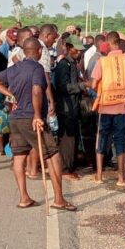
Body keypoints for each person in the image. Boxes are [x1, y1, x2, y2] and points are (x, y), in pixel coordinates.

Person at [0, 37, 76, 211]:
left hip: (16, 118)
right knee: (53, 153)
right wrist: (37, 115)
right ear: (38, 51)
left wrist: (10, 95)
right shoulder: (37, 68)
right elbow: (37, 90)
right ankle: (59, 199)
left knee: (19, 156)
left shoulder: (15, 68)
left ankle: (24, 197)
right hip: (31, 117)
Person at [91, 31, 125, 186]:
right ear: (119, 42)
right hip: (123, 108)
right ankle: (121, 178)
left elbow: (93, 84)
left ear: (108, 44)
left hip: (104, 107)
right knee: (120, 142)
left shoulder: (102, 61)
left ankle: (99, 176)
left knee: (102, 139)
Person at [54, 36, 87, 180]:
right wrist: (82, 86)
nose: (78, 52)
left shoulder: (73, 64)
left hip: (73, 106)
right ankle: (64, 169)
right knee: (67, 140)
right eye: (76, 49)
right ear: (67, 47)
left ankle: (70, 166)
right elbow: (63, 87)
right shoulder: (64, 64)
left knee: (72, 138)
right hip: (66, 107)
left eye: (80, 49)